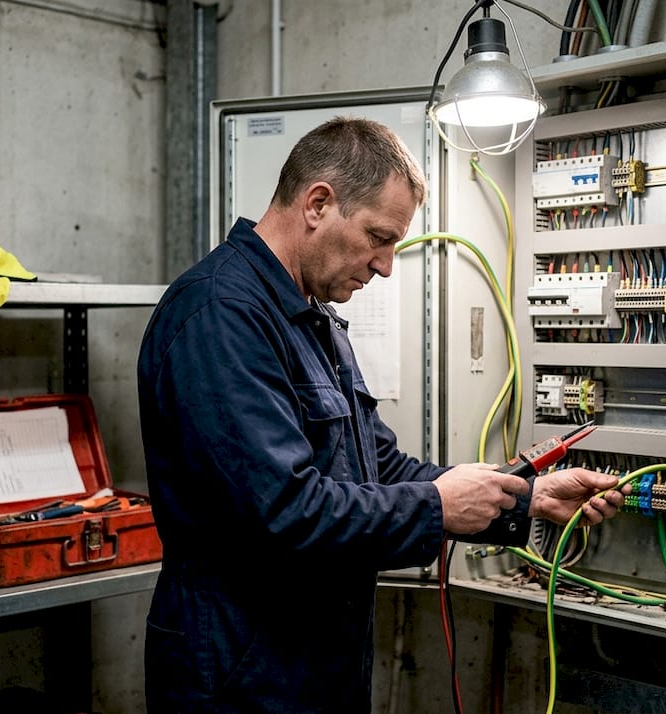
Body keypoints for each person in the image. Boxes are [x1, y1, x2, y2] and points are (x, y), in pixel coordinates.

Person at [136, 116, 629, 713]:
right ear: (318, 203)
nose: (387, 265)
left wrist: (524, 496)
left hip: (312, 665)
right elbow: (282, 513)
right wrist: (438, 507)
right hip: (240, 673)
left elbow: (380, 466)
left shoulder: (310, 317)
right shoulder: (221, 315)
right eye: (378, 237)